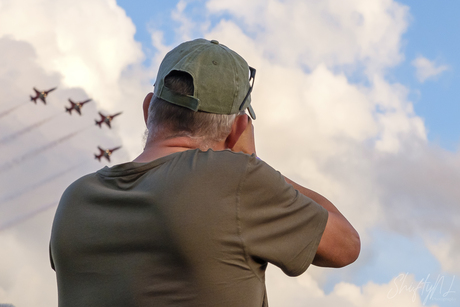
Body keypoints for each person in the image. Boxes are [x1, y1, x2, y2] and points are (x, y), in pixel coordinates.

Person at [50, 38, 360, 306]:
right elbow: (345, 245)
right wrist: (252, 160)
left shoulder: (76, 198)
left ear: (148, 110)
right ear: (239, 128)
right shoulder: (234, 179)